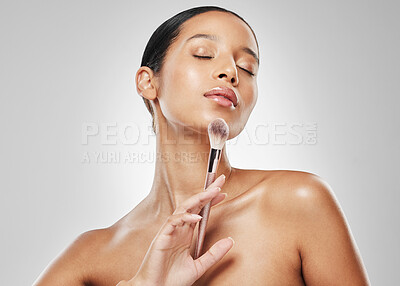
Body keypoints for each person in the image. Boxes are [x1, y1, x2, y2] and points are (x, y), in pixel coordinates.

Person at [34, 6, 370, 286]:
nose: (229, 72)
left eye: (247, 68)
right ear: (148, 82)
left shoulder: (297, 202)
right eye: (203, 54)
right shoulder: (91, 256)